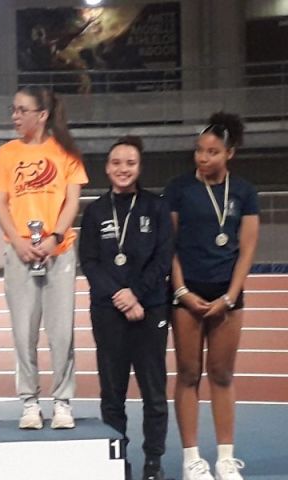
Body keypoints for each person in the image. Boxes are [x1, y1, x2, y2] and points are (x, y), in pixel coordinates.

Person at [164, 112, 259, 480]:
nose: (203, 158)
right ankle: (191, 460)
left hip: (227, 295)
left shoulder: (244, 192)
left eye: (212, 152)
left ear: (229, 153)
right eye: (199, 151)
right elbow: (169, 245)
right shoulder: (178, 188)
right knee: (188, 374)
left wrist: (231, 297)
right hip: (186, 293)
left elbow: (247, 250)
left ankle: (225, 458)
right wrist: (182, 291)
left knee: (221, 374)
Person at [0, 85, 88, 429]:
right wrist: (19, 242)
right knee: (23, 332)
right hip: (20, 253)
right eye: (13, 109)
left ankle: (62, 401)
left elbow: (72, 201)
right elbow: (0, 203)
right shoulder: (6, 154)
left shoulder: (66, 152)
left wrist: (55, 237)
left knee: (61, 333)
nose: (15, 116)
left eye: (22, 110)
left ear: (42, 115)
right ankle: (29, 402)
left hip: (59, 253)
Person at [79, 136, 172, 480]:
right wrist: (119, 295)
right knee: (112, 395)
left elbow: (163, 258)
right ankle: (118, 462)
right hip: (108, 312)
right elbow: (89, 262)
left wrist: (135, 294)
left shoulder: (156, 207)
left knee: (154, 394)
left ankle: (153, 463)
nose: (123, 169)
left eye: (130, 163)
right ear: (107, 168)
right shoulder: (95, 212)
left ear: (139, 167)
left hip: (150, 309)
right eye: (116, 162)